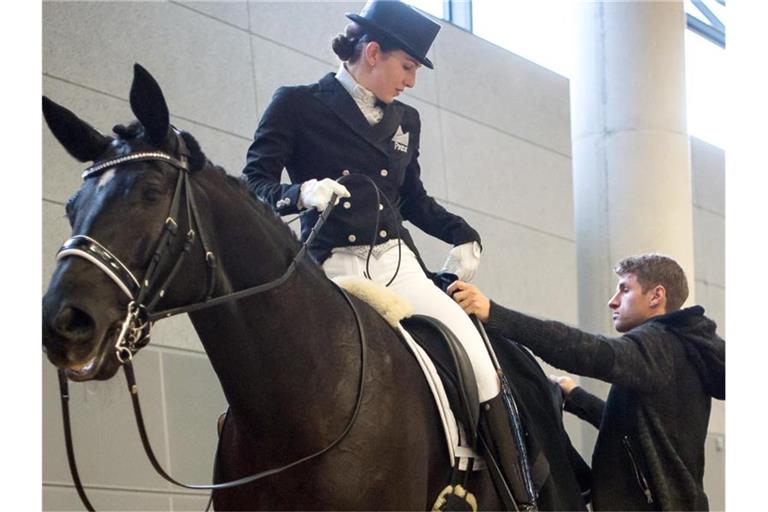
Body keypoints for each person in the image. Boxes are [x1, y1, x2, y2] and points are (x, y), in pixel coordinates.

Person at [241, 0, 523, 501]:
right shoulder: (297, 103)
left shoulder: (406, 120)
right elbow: (254, 183)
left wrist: (463, 233)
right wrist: (298, 193)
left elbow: (411, 199)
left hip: (398, 264)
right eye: (407, 67)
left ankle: (517, 492)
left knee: (481, 362)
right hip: (329, 269)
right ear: (373, 52)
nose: (411, 81)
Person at [449, 253, 725, 511]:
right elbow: (635, 430)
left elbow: (587, 351)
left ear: (656, 296)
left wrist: (495, 314)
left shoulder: (660, 343)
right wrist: (576, 396)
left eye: (625, 289)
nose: (613, 301)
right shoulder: (681, 351)